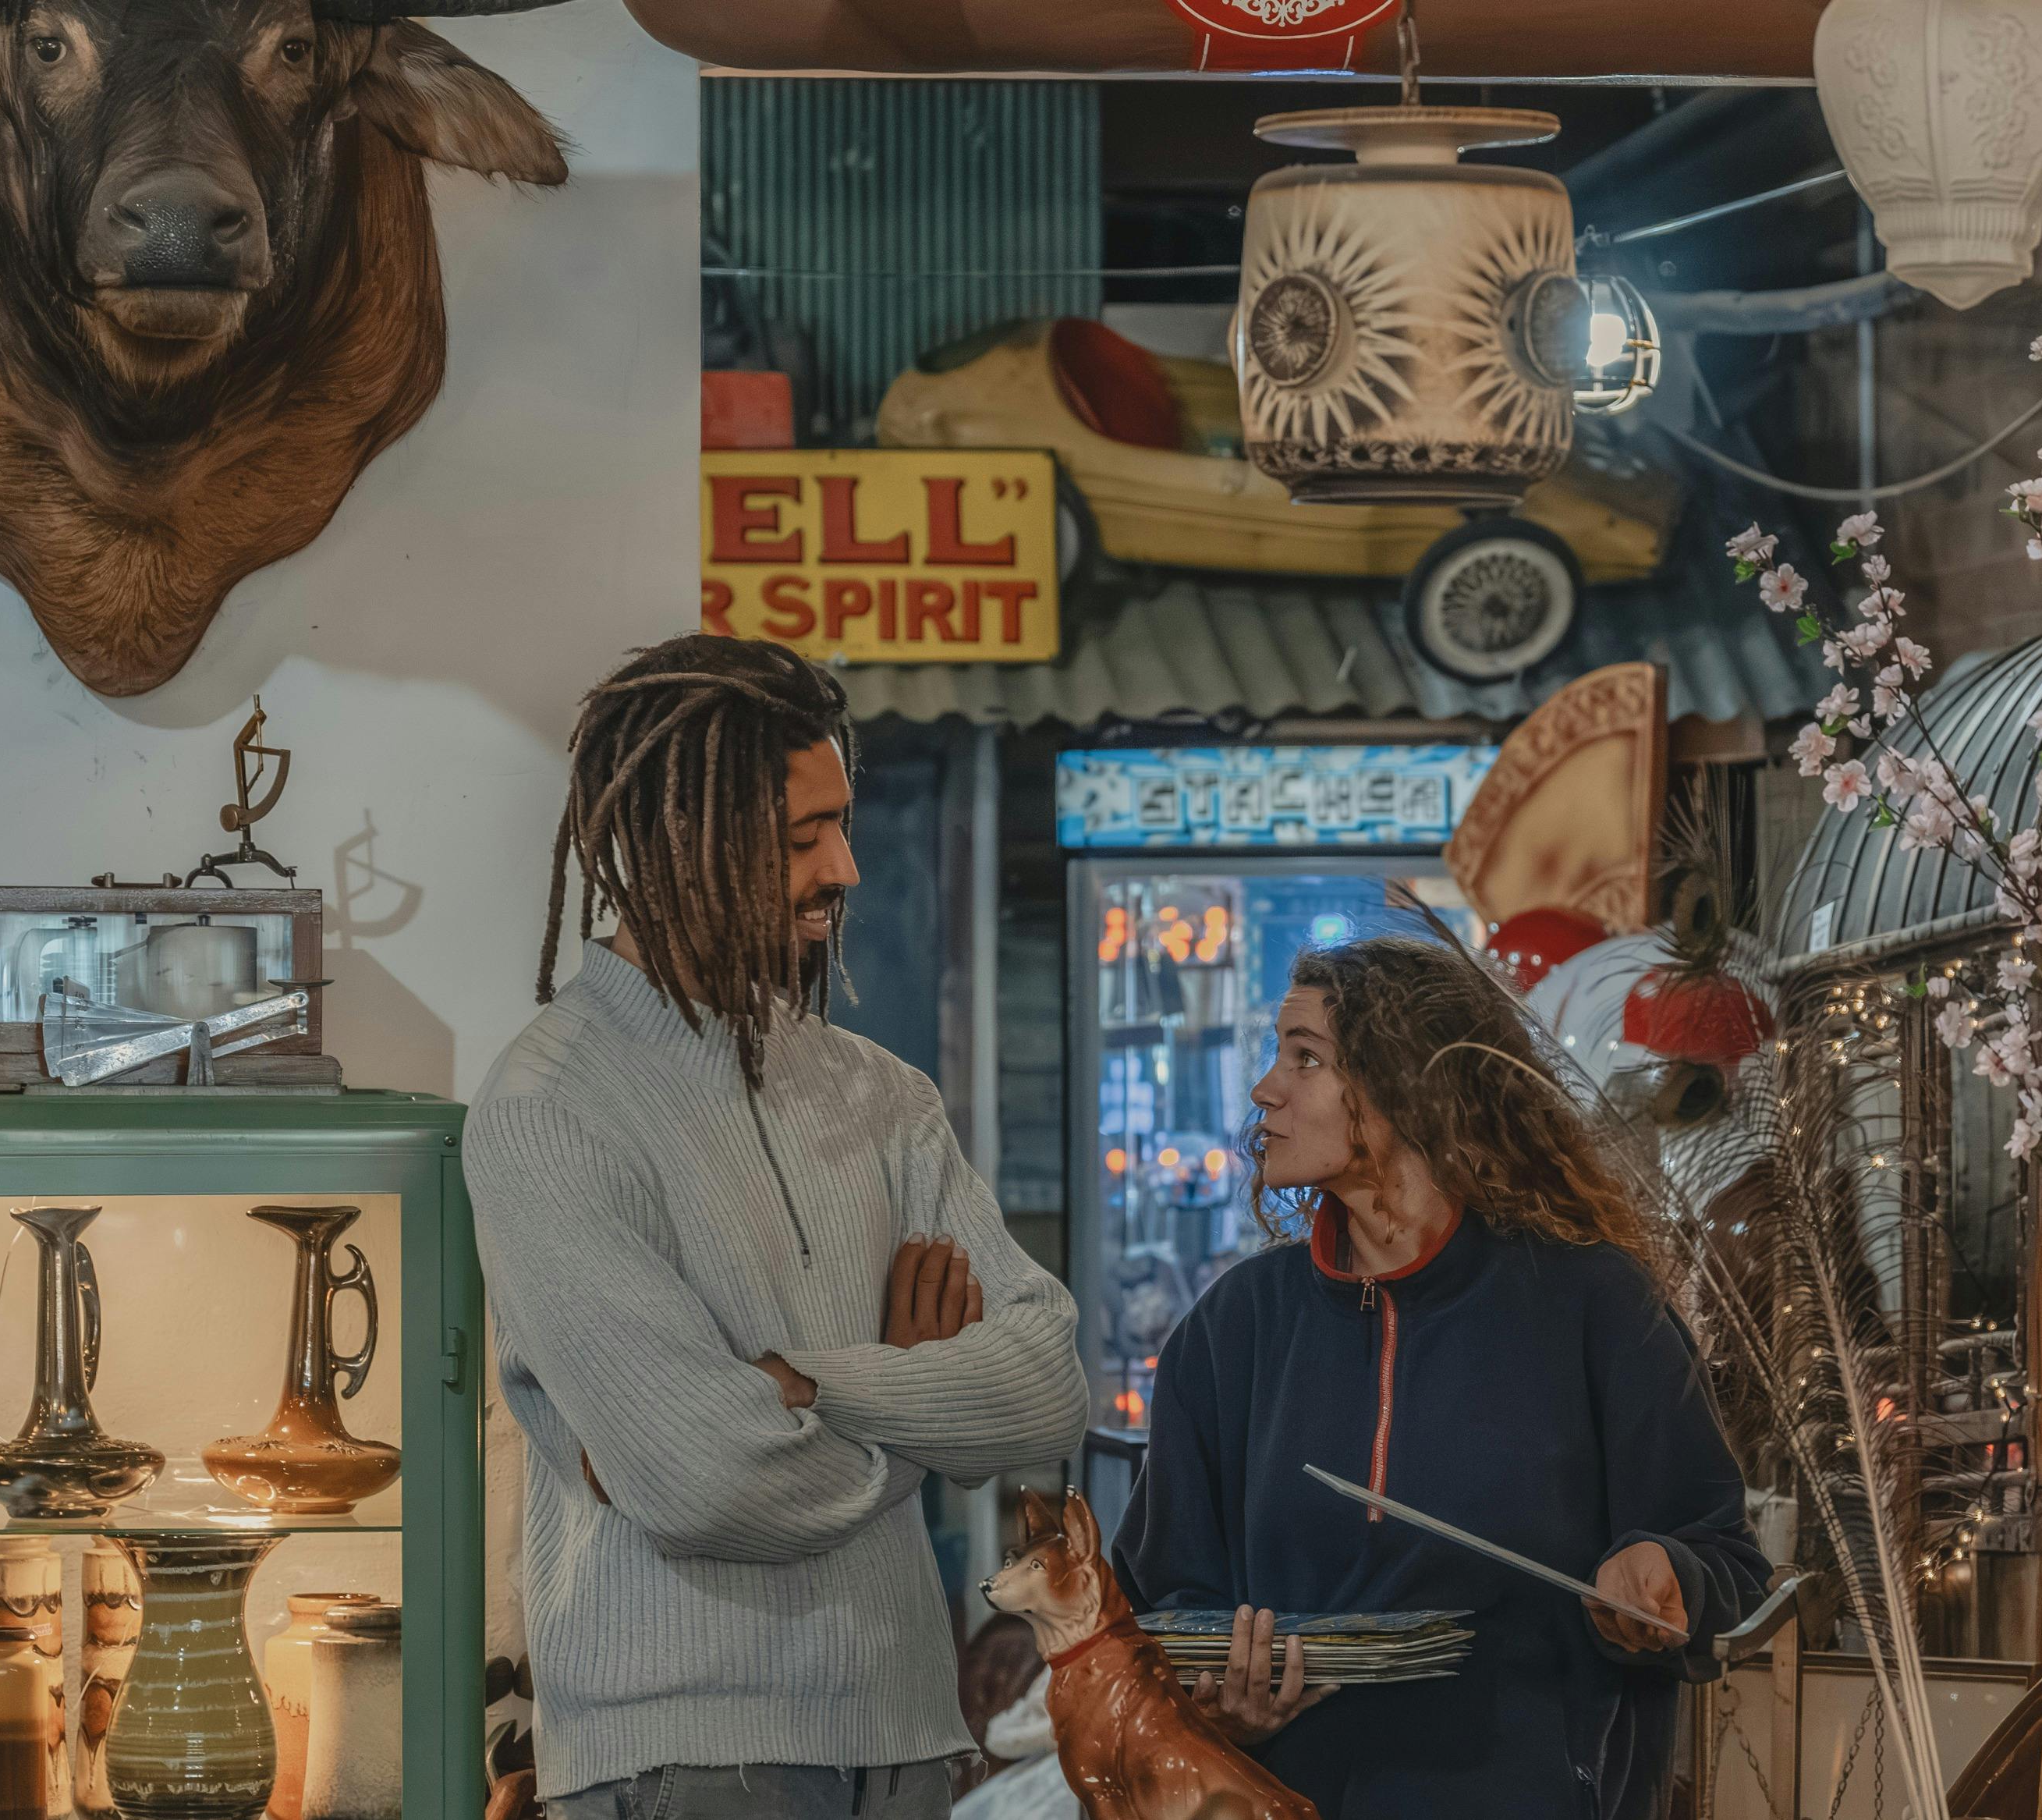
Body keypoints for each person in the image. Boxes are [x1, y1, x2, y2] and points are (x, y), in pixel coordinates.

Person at [466, 634, 1090, 1820]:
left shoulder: (881, 1091)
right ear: (674, 844)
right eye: (802, 837)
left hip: (906, 1726)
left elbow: (1047, 1386)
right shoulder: (549, 1110)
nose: (846, 866)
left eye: (840, 825)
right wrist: (917, 1397)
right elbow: (706, 1480)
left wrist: (806, 1384)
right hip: (686, 1756)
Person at [1114, 931, 1765, 1820]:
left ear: (1405, 1086)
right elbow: (1155, 1601)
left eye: (1304, 1057)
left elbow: (1726, 1560)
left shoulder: (1591, 1302)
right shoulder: (1231, 1330)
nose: (1266, 1087)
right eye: (1277, 1054)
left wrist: (1665, 1574)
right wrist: (1214, 1694)